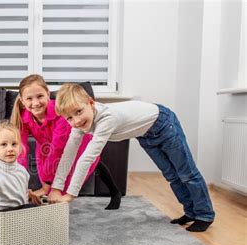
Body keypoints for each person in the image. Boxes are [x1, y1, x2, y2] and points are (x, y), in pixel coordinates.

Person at [49, 83, 215, 232]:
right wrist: (56, 187)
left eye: (79, 112)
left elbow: (87, 158)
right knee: (171, 175)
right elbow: (68, 155)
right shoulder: (79, 125)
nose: (76, 121)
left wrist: (70, 194)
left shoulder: (107, 118)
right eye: (69, 117)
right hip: (145, 134)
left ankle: (205, 215)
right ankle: (191, 212)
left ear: (91, 103)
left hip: (164, 124)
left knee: (186, 173)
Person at [10, 74, 121, 209]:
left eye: (40, 96)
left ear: (47, 93)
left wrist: (46, 187)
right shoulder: (23, 117)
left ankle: (115, 192)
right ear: (22, 100)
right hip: (45, 150)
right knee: (51, 186)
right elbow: (21, 149)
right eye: (29, 98)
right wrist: (20, 182)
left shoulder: (59, 113)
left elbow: (58, 148)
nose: (36, 103)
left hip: (73, 144)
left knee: (85, 163)